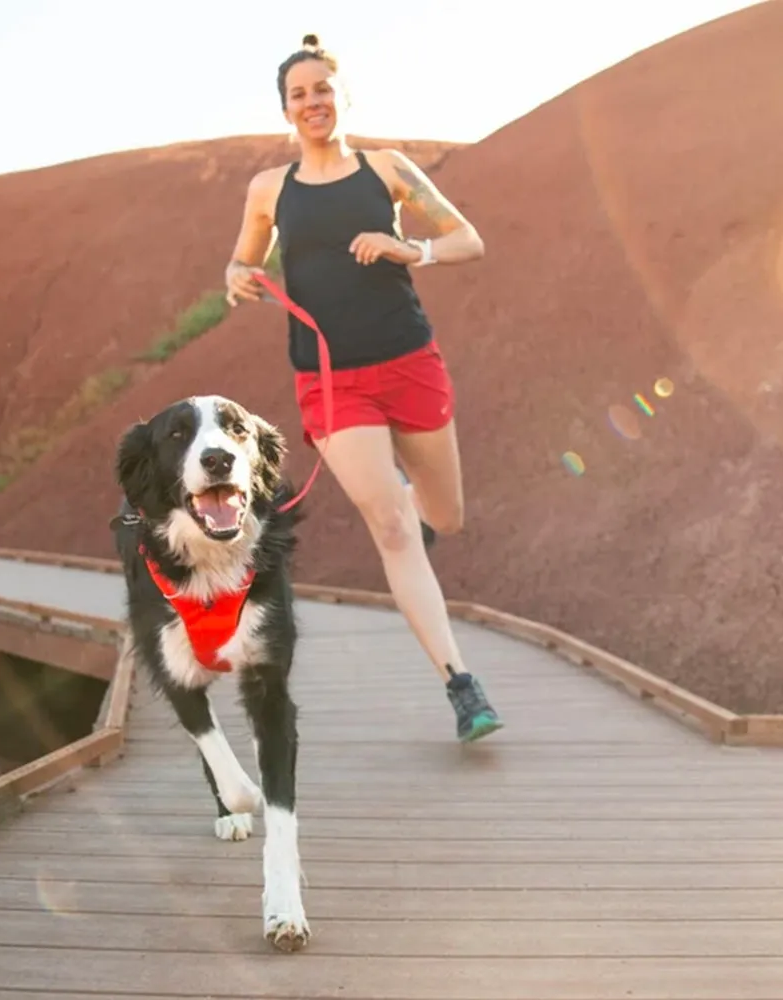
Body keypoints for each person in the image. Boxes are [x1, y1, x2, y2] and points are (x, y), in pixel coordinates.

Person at [223, 33, 503, 742]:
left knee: (448, 514)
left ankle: (409, 503)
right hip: (331, 382)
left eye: (323, 89)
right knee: (390, 526)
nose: (312, 102)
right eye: (299, 94)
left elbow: (469, 239)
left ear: (343, 96)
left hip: (409, 361)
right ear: (285, 110)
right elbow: (242, 262)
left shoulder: (387, 169)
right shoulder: (269, 189)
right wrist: (238, 277)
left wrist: (413, 249)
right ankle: (461, 685)